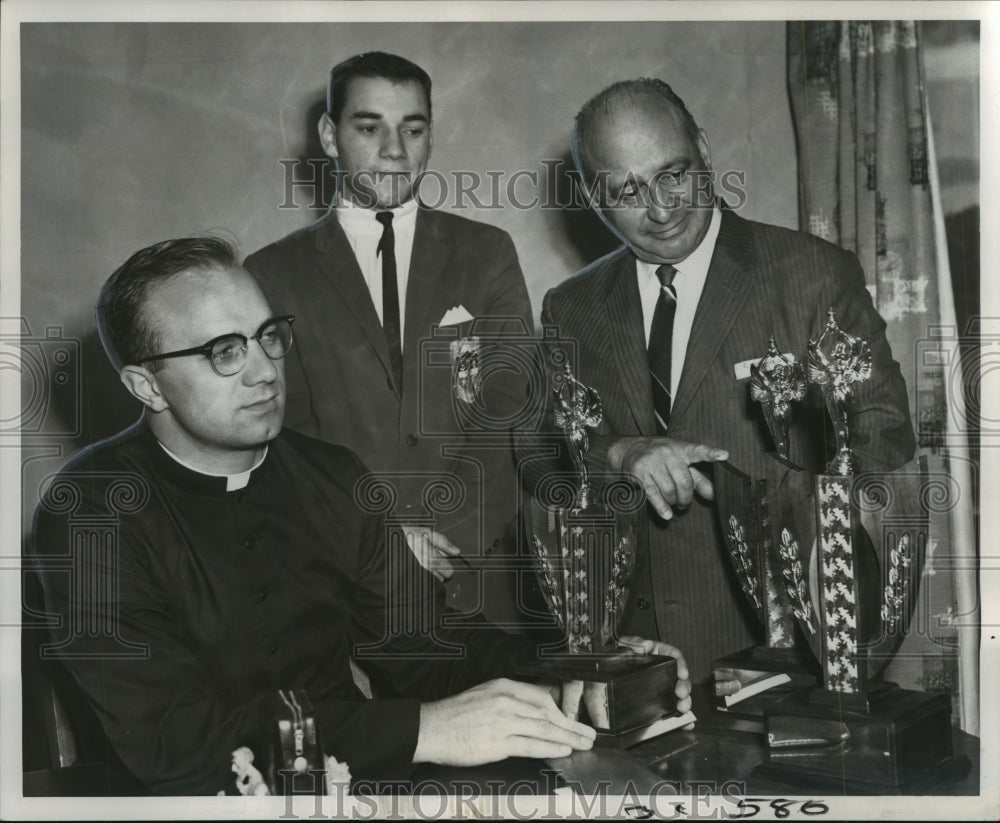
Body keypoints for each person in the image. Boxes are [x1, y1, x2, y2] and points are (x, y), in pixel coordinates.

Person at [29, 236, 690, 795]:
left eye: (268, 337)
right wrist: (427, 728)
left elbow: (422, 645)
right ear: (145, 385)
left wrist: (576, 665)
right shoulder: (88, 511)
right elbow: (173, 744)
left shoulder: (332, 473)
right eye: (224, 352)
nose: (264, 372)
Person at [532, 78, 916, 685]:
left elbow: (884, 440)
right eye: (626, 189)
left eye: (673, 173)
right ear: (591, 196)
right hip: (630, 664)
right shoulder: (569, 307)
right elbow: (539, 455)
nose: (660, 209)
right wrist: (617, 452)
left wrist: (800, 626)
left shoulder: (812, 275)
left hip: (786, 656)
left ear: (705, 153)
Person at [244, 52, 533, 622]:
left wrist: (451, 540)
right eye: (369, 127)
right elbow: (280, 438)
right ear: (330, 135)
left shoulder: (488, 252)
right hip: (338, 585)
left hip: (475, 580)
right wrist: (381, 545)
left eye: (414, 128)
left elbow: (513, 413)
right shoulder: (271, 273)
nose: (395, 150)